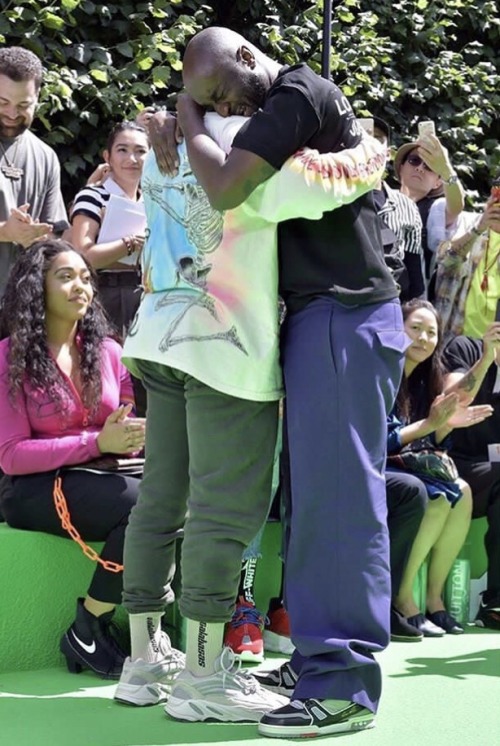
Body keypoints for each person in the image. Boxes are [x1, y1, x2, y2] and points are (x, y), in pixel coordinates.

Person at [113, 101, 386, 726]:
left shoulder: (167, 145)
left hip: (157, 340)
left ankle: (144, 662)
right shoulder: (242, 153)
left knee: (160, 501)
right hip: (223, 351)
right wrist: (373, 149)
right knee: (222, 510)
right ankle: (204, 677)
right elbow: (326, 185)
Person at [177, 26, 405, 738]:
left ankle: (340, 685)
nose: (218, 107)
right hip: (323, 317)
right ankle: (318, 664)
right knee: (312, 504)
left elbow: (223, 186)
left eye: (218, 92)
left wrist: (187, 121)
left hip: (345, 314)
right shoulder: (293, 107)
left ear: (248, 58)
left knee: (339, 505)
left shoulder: (298, 92)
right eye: (208, 102)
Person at [0, 239, 148, 680]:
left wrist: (130, 438)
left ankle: (139, 631)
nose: (80, 286)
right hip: (33, 488)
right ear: (36, 288)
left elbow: (126, 435)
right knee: (146, 507)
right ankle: (90, 625)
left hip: (102, 476)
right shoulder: (8, 356)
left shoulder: (109, 352)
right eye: (65, 277)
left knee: (169, 497)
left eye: (86, 278)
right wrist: (98, 442)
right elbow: (10, 456)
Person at [387, 300, 491, 635]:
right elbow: (384, 440)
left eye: (431, 332)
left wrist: (445, 426)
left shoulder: (426, 379)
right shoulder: (382, 372)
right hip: (379, 465)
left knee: (460, 490)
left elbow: (433, 440)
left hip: (408, 463)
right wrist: (431, 424)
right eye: (415, 328)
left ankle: (434, 600)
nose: (423, 338)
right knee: (434, 495)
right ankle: (403, 598)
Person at [442, 323, 500, 629]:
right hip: (450, 464)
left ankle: (495, 604)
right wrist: (487, 357)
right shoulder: (465, 348)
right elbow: (452, 403)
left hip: (492, 472)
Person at [0, 47, 69, 298]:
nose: (11, 114)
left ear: (38, 97)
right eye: (3, 102)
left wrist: (37, 235)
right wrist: (5, 232)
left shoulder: (46, 156)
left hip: (21, 307)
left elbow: (53, 236)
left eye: (23, 105)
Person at [393, 133, 464, 292]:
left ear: (438, 182)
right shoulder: (380, 199)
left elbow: (457, 205)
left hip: (416, 304)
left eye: (430, 167)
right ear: (401, 167)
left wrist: (446, 170)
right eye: (414, 160)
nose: (419, 168)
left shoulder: (436, 209)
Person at [434, 188, 500, 345]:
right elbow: (446, 262)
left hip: (493, 354)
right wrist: (479, 228)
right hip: (452, 341)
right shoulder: (466, 223)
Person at [372, 117, 425, 302]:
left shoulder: (407, 206)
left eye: (377, 138)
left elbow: (413, 272)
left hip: (390, 303)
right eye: (363, 136)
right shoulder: (334, 198)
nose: (370, 143)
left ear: (388, 153)